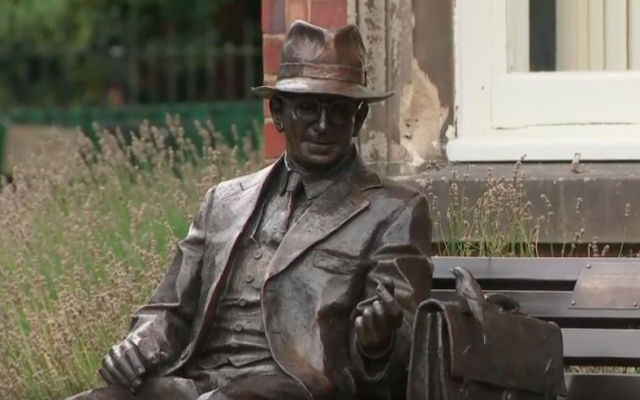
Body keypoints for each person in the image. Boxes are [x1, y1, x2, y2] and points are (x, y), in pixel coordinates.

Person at [65, 20, 434, 400]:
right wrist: (141, 342)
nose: (323, 125)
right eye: (308, 108)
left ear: (358, 119)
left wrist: (379, 342)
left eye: (339, 111)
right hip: (199, 383)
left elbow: (406, 344)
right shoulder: (224, 201)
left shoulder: (394, 210)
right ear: (278, 112)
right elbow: (171, 308)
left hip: (301, 388)